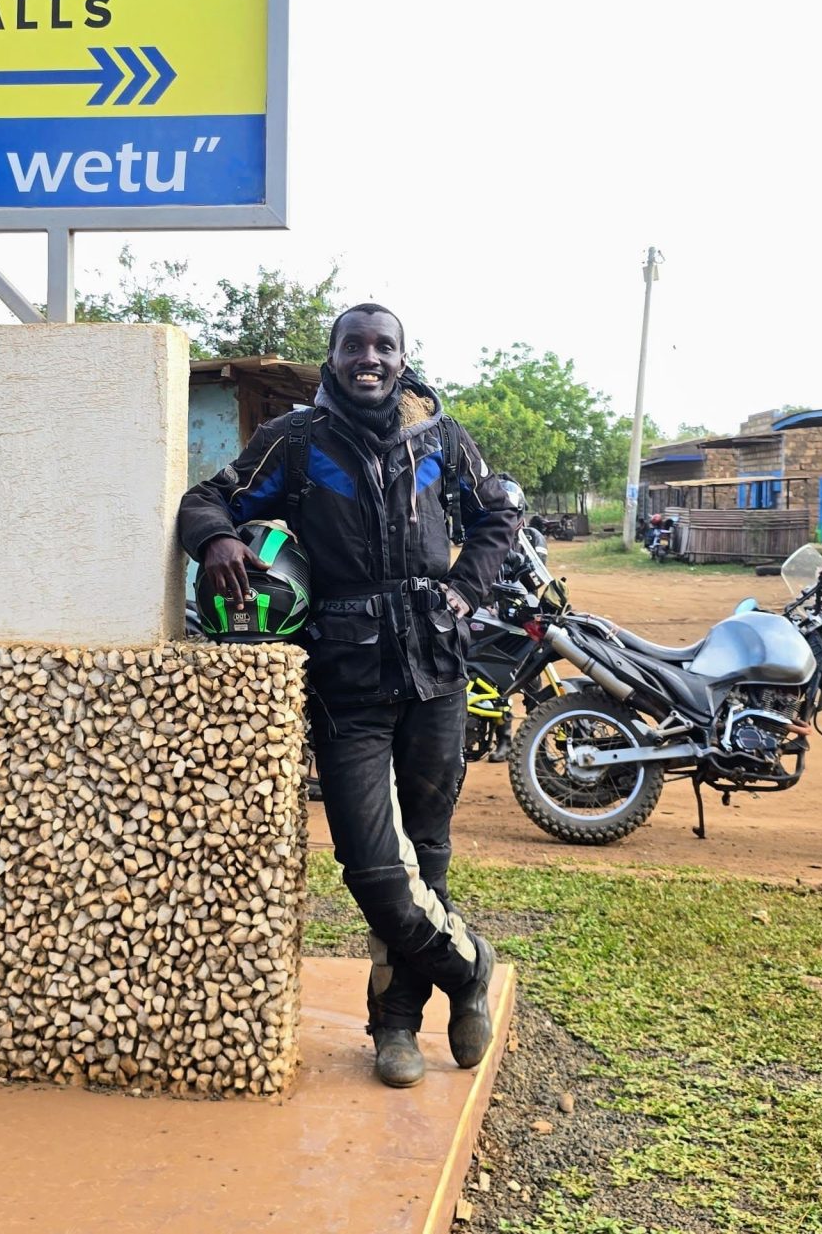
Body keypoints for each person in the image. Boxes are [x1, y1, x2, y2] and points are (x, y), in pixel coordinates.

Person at [178, 303, 522, 1089]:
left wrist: (467, 590)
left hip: (436, 669)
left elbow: (498, 512)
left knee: (425, 853)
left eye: (383, 345)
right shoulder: (296, 440)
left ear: (403, 357)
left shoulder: (442, 437)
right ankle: (470, 964)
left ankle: (395, 1027)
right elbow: (209, 495)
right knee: (373, 864)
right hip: (346, 677)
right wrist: (218, 536)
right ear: (332, 357)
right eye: (353, 345)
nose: (368, 357)